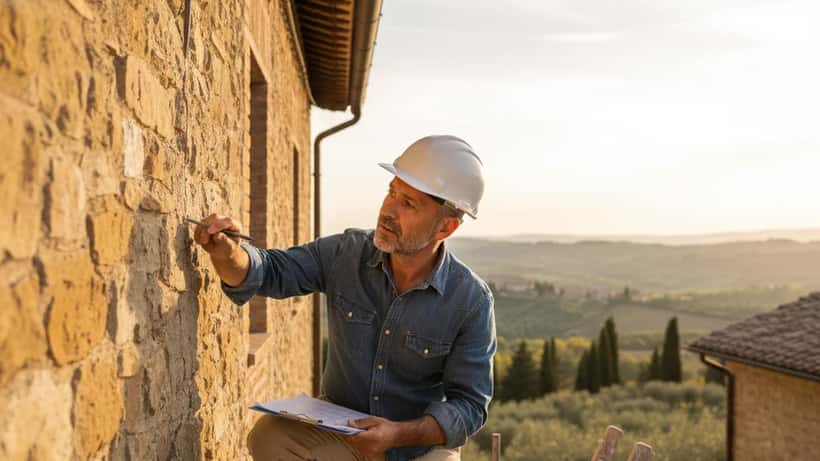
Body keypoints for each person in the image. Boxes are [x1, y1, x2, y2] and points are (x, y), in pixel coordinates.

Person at [194, 135, 496, 461]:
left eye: (408, 203)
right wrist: (229, 253)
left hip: (419, 448)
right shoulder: (346, 253)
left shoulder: (471, 301)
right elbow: (269, 271)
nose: (387, 210)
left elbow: (469, 406)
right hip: (344, 433)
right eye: (391, 192)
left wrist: (398, 433)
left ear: (445, 228)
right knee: (270, 436)